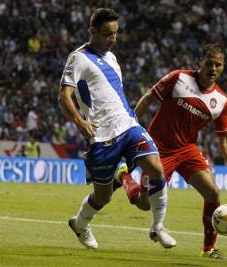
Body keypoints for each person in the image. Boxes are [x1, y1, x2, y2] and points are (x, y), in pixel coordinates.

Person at [58, 8, 176, 250]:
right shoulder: (78, 58)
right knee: (103, 196)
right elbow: (64, 96)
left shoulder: (112, 58)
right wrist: (80, 122)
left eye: (116, 33)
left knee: (156, 168)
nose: (113, 39)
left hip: (128, 126)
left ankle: (158, 227)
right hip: (101, 137)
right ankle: (80, 224)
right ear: (92, 31)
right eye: (107, 34)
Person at [132, 43, 227, 259]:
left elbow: (226, 140)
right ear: (200, 62)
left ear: (223, 68)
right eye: (209, 63)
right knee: (145, 204)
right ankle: (126, 179)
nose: (213, 68)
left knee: (212, 192)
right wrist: (132, 127)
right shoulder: (178, 78)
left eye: (218, 65)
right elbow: (148, 98)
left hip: (186, 149)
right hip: (157, 149)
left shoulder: (221, 101)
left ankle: (209, 249)